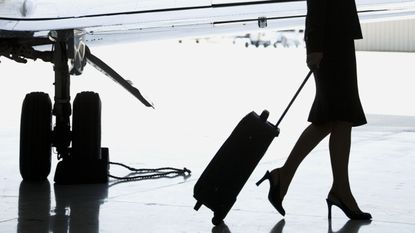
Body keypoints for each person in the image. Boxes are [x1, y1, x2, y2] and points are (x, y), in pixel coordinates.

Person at [256, 0, 372, 220]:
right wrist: (315, 45)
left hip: (339, 38)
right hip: (329, 43)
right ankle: (334, 189)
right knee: (334, 117)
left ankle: (329, 186)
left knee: (338, 117)